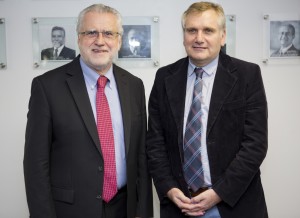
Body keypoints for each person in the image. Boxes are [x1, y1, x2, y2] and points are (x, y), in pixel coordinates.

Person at [24, 4, 153, 218]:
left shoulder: (134, 85)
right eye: (91, 32)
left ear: (119, 40)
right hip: (70, 210)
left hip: (124, 207)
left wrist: (142, 211)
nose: (100, 41)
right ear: (78, 38)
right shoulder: (47, 87)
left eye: (108, 33)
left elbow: (141, 156)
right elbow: (35, 164)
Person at [146, 2, 268, 218]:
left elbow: (255, 144)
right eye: (191, 30)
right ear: (184, 35)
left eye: (208, 30)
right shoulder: (165, 77)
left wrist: (219, 192)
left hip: (234, 204)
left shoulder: (247, 75)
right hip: (179, 204)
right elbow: (156, 143)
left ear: (222, 36)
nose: (199, 38)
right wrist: (168, 188)